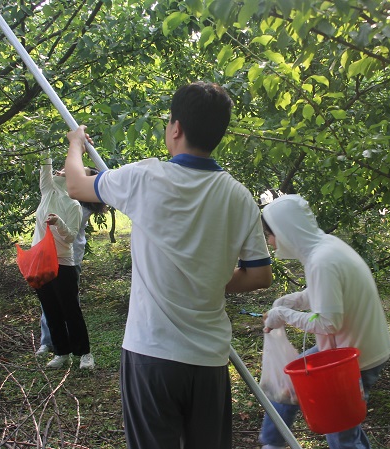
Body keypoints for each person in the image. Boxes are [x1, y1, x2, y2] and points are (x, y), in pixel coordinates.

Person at [64, 81, 273, 449]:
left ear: (175, 128)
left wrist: (75, 144)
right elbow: (259, 275)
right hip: (208, 358)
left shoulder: (144, 177)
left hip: (151, 352)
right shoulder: (239, 197)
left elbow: (76, 186)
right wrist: (209, 277)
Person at [257, 194, 390, 449]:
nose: (270, 242)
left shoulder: (322, 260)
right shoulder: (326, 247)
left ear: (284, 231)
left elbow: (329, 323)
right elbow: (327, 293)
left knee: (340, 431)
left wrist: (283, 315)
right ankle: (272, 442)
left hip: (353, 357)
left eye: (269, 235)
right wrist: (293, 301)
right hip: (353, 347)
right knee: (290, 382)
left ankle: (272, 442)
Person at [36, 167, 105, 370]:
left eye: (76, 172)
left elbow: (69, 235)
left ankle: (83, 352)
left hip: (67, 260)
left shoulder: (77, 204)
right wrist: (43, 150)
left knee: (69, 308)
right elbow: (45, 171)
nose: (64, 172)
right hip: (43, 259)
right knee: (50, 307)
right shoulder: (50, 193)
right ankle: (58, 350)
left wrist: (58, 221)